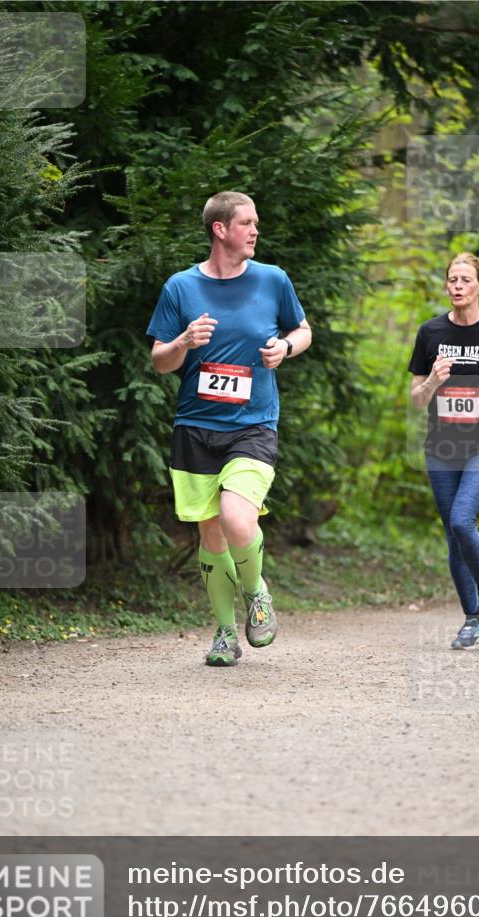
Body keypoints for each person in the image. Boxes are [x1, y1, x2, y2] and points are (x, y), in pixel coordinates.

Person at [147, 191, 312, 666]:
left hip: (253, 425)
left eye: (256, 222)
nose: (255, 230)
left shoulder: (272, 280)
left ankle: (256, 591)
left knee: (239, 519)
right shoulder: (180, 287)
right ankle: (223, 632)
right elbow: (161, 361)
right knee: (211, 535)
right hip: (196, 425)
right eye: (246, 223)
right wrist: (182, 341)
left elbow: (302, 330)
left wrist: (285, 347)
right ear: (220, 230)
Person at [409, 253, 479, 649]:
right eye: (452, 279)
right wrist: (431, 384)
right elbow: (416, 399)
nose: (457, 286)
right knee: (453, 536)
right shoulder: (430, 332)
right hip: (441, 448)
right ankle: (471, 618)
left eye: (465, 279)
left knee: (462, 520)